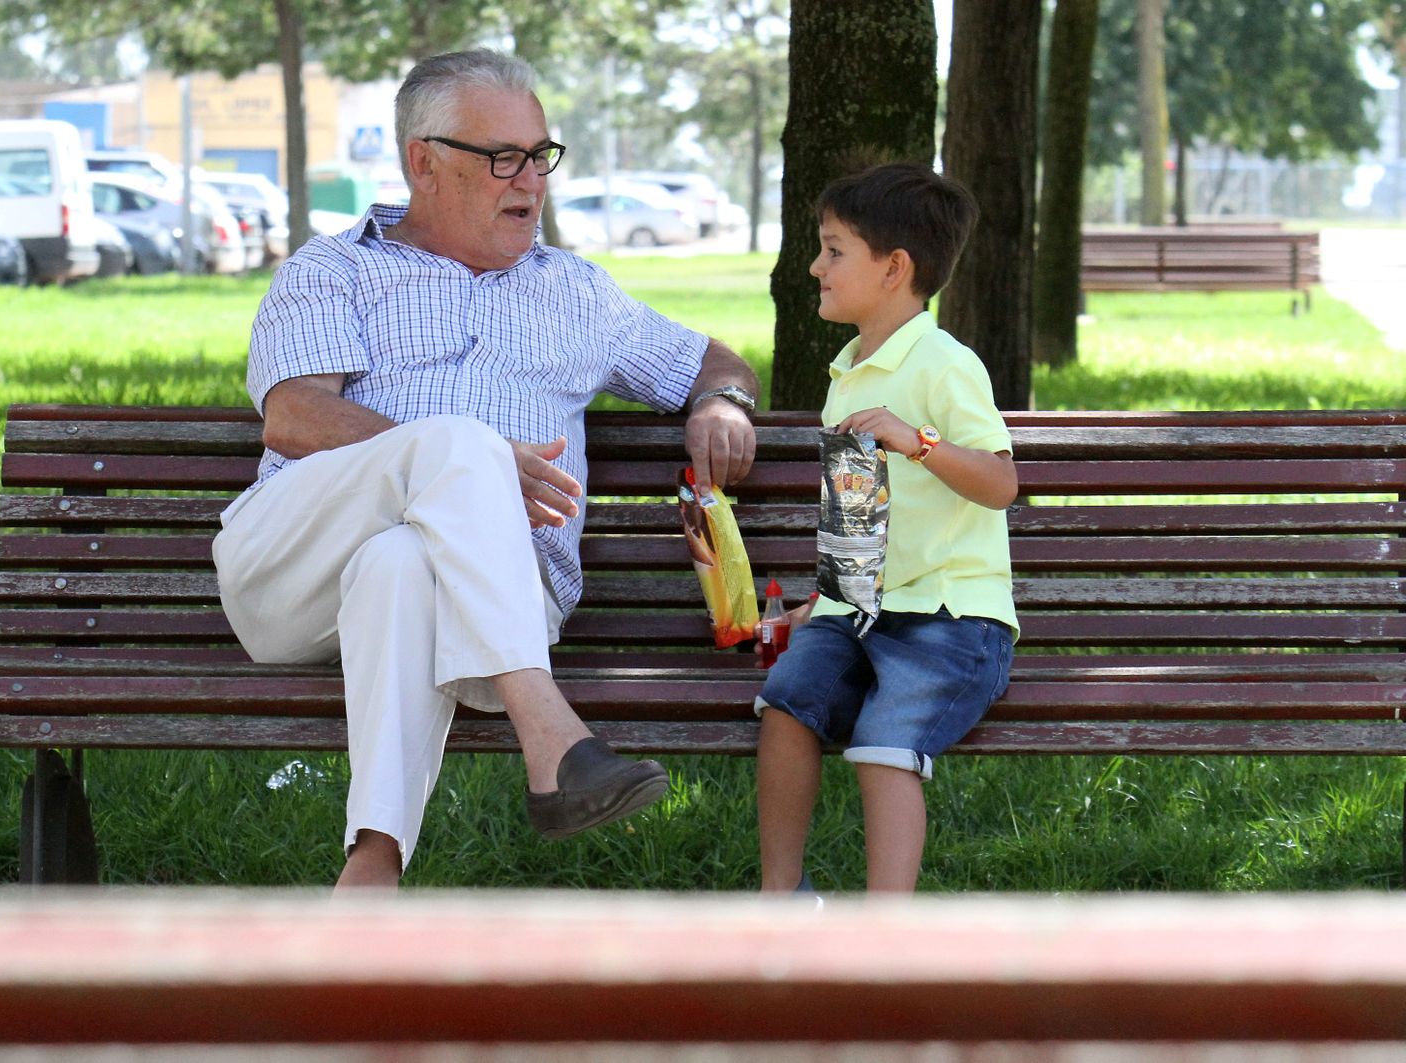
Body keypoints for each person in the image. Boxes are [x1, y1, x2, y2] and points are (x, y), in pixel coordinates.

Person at [211, 49, 759, 890]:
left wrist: (722, 403)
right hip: (291, 575)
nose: (530, 180)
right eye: (502, 156)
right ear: (421, 162)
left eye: (540, 154)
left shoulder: (576, 293)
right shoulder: (337, 269)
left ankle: (373, 866)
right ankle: (552, 736)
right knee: (461, 443)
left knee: (401, 560)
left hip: (488, 602)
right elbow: (294, 415)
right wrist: (458, 460)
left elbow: (712, 361)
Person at [754, 163, 1017, 894]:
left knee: (882, 745)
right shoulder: (848, 374)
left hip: (950, 616)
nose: (815, 266)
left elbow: (1001, 483)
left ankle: (885, 940)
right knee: (785, 706)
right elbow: (857, 512)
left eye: (834, 250)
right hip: (863, 611)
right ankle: (780, 898)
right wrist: (826, 599)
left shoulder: (945, 365)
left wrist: (920, 441)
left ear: (894, 267)